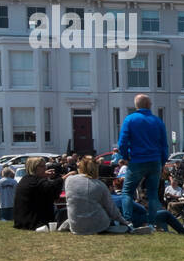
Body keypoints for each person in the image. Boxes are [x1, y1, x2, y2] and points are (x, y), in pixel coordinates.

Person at [117, 94, 170, 226]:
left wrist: (125, 157)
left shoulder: (130, 119)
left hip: (137, 160)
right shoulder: (158, 121)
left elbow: (122, 143)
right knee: (153, 194)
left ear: (137, 105)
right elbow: (164, 145)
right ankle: (152, 223)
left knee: (127, 192)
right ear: (148, 105)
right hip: (155, 160)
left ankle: (127, 220)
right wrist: (162, 162)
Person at [63, 156, 129, 234]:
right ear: (96, 168)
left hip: (76, 226)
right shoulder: (100, 185)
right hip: (98, 226)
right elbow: (112, 210)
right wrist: (124, 222)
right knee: (112, 217)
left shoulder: (69, 180)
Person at [13, 156, 62, 229]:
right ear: (34, 168)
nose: (45, 168)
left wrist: (44, 176)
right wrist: (64, 178)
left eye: (45, 166)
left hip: (23, 221)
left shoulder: (26, 179)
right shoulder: (35, 182)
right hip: (33, 222)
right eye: (42, 166)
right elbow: (51, 189)